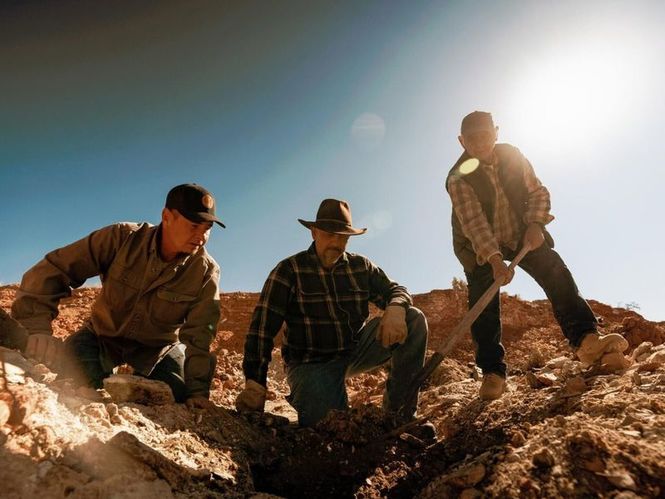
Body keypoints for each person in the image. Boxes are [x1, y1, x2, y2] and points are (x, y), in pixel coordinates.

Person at [446, 111, 629, 401]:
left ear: (496, 131)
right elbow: (475, 225)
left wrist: (535, 224)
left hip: (521, 233)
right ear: (461, 141)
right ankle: (493, 373)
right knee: (483, 304)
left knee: (554, 270)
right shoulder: (458, 178)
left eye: (485, 135)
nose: (479, 143)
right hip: (477, 245)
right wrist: (495, 260)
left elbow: (539, 192)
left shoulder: (513, 156)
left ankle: (586, 341)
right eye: (471, 139)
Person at [6, 184, 224, 409]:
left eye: (208, 228)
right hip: (101, 338)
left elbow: (201, 334)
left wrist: (197, 391)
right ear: (167, 216)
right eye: (194, 226)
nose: (202, 236)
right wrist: (36, 327)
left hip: (156, 351)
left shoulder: (206, 271)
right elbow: (55, 268)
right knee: (74, 381)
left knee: (177, 395)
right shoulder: (121, 238)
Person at [235, 198, 428, 427]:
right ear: (314, 232)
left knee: (413, 318)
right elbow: (262, 330)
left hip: (355, 351)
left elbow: (396, 289)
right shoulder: (289, 270)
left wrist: (396, 307)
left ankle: (399, 415)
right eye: (329, 234)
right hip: (310, 364)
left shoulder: (361, 266)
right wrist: (255, 383)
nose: (336, 242)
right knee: (331, 428)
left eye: (343, 236)